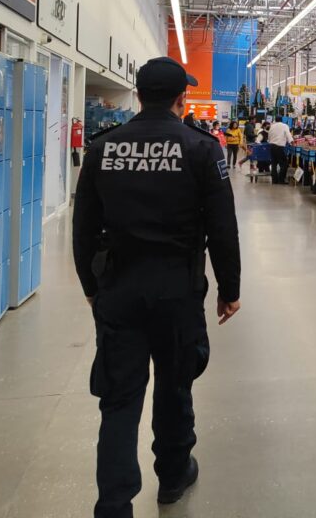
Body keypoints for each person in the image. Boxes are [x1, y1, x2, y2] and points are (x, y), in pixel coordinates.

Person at [72, 56, 242, 518]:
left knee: (119, 398)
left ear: (138, 94)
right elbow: (222, 227)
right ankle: (172, 473)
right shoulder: (201, 149)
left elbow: (83, 226)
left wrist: (90, 285)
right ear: (181, 98)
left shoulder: (103, 148)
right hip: (177, 291)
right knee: (175, 385)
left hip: (119, 288)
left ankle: (114, 502)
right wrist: (229, 288)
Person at [267, 117, 294, 184]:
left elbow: (269, 136)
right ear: (282, 120)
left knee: (274, 164)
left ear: (275, 120)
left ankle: (274, 180)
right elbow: (288, 135)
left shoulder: (272, 126)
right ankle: (281, 180)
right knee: (284, 164)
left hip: (272, 146)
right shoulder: (284, 126)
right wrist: (292, 142)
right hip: (279, 147)